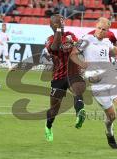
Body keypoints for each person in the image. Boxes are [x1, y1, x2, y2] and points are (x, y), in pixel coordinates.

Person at [70, 17, 117, 152]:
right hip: (96, 82)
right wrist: (83, 64)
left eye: (104, 30)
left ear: (108, 31)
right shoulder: (86, 40)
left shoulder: (107, 41)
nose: (101, 31)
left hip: (110, 77)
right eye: (99, 28)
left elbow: (115, 50)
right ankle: (109, 132)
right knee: (111, 116)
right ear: (96, 27)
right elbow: (73, 54)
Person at [44, 14, 86, 142]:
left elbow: (78, 48)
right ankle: (48, 126)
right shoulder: (49, 39)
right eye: (59, 23)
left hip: (73, 73)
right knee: (54, 109)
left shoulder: (70, 35)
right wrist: (57, 31)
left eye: (63, 22)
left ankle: (80, 113)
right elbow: (55, 48)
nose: (62, 24)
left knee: (77, 90)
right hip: (58, 76)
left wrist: (77, 47)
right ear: (52, 25)